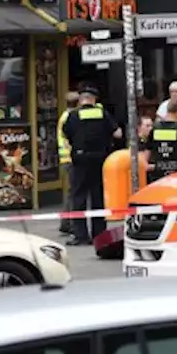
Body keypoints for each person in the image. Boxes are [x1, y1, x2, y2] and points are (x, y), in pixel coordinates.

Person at [62, 86, 122, 245]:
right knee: (97, 197)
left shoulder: (73, 115)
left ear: (81, 100)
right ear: (94, 99)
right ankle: (99, 234)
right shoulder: (102, 113)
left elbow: (66, 134)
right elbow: (118, 133)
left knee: (79, 196)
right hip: (99, 159)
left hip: (80, 159)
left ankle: (81, 235)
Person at [55, 91, 80, 234]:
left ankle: (67, 222)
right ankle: (67, 222)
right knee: (73, 192)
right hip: (70, 158)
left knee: (72, 191)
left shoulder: (65, 116)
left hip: (66, 158)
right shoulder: (70, 118)